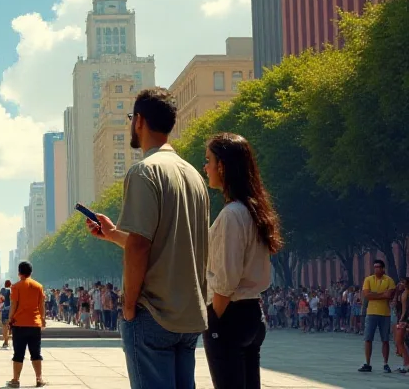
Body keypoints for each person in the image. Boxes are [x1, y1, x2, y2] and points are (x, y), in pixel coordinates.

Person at [87, 87, 210, 389]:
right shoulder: (194, 175)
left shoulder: (144, 171)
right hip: (188, 316)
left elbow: (141, 247)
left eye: (131, 117)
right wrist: (114, 233)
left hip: (153, 313)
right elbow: (167, 242)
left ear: (139, 120)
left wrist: (129, 305)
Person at [201, 132, 283, 389]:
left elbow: (226, 280)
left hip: (230, 315)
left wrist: (213, 318)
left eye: (208, 161)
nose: (206, 168)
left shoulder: (232, 215)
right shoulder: (254, 210)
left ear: (222, 166)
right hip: (252, 315)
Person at [6, 261, 46, 388]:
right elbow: (41, 306)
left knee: (18, 353)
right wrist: (43, 319)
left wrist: (9, 319)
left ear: (19, 273)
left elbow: (13, 305)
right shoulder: (38, 286)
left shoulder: (16, 287)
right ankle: (39, 379)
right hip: (35, 324)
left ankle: (15, 380)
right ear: (31, 272)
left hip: (19, 324)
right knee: (36, 353)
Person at [359, 259, 396, 373]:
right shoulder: (368, 279)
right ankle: (367, 363)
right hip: (371, 313)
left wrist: (374, 295)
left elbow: (389, 295)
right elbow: (367, 295)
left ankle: (385, 363)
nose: (376, 269)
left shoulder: (389, 280)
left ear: (383, 268)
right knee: (368, 339)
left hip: (385, 313)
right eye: (374, 267)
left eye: (378, 267)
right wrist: (382, 294)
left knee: (385, 340)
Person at [0, 279, 13, 348]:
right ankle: (10, 339)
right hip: (10, 310)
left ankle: (5, 342)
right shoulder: (11, 290)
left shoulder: (2, 290)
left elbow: (0, 300)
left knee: (4, 326)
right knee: (10, 326)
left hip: (4, 309)